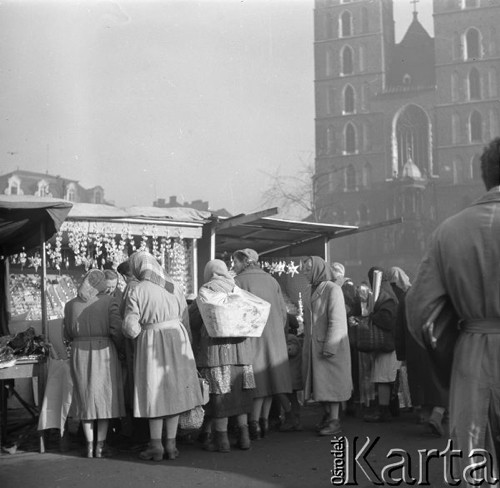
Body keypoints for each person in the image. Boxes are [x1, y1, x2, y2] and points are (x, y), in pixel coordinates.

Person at [406, 137, 500, 483]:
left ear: (485, 177)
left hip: (472, 355)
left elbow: (419, 311)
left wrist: (450, 350)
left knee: (475, 460)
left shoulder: (450, 230)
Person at [122, 251, 203, 461]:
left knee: (154, 391)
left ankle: (156, 445)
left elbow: (130, 327)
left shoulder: (137, 289)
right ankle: (172, 445)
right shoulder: (174, 287)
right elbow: (185, 318)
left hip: (152, 342)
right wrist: (188, 345)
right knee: (174, 390)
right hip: (178, 340)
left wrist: (133, 333)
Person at [189, 259, 255, 452]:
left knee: (220, 397)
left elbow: (193, 319)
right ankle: (244, 438)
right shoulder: (237, 289)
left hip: (216, 354)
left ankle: (222, 441)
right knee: (239, 396)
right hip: (242, 354)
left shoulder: (207, 290)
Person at [63, 269, 125, 458]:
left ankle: (89, 447)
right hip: (103, 352)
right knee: (104, 398)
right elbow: (116, 330)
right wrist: (121, 351)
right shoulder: (108, 302)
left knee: (85, 398)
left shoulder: (70, 305)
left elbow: (66, 334)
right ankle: (100, 446)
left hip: (78, 352)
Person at [232, 248, 292, 440]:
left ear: (244, 262)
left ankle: (254, 423)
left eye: (235, 262)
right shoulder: (272, 280)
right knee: (270, 381)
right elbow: (283, 314)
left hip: (253, 337)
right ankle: (263, 422)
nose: (233, 265)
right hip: (274, 337)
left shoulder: (238, 281)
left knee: (258, 383)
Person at [390, 266, 448, 436]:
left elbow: (399, 326)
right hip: (437, 345)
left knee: (420, 382)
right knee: (442, 381)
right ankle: (436, 415)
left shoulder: (408, 295)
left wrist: (401, 352)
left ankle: (424, 414)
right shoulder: (441, 293)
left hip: (413, 347)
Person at [302, 256, 352, 436]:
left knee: (332, 385)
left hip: (329, 347)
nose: (304, 272)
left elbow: (338, 321)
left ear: (317, 269)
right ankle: (328, 416)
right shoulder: (309, 290)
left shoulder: (333, 289)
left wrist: (330, 346)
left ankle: (334, 420)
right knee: (320, 385)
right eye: (304, 268)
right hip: (314, 347)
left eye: (308, 268)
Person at [363, 267, 399, 423]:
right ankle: (391, 408)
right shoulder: (388, 292)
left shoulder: (385, 296)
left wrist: (372, 316)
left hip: (387, 343)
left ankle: (383, 411)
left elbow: (387, 319)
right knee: (387, 377)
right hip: (390, 342)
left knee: (383, 378)